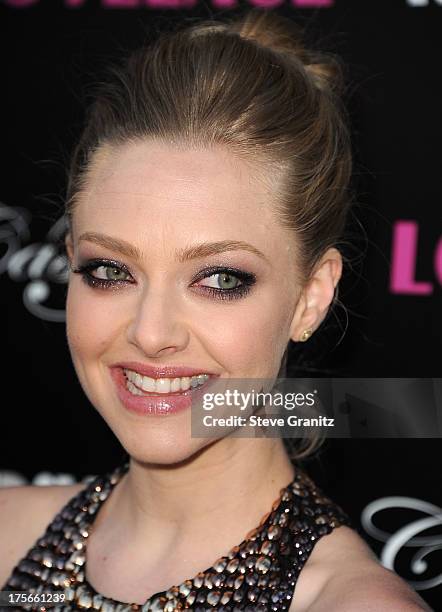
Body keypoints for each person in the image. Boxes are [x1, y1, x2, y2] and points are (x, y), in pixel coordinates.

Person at [0, 8, 432, 612]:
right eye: (110, 271)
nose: (150, 334)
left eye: (219, 279)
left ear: (311, 296)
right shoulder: (6, 536)